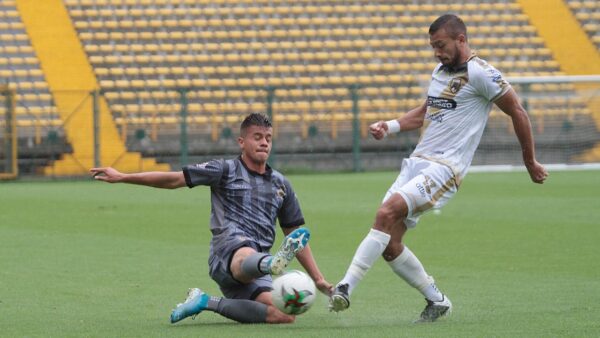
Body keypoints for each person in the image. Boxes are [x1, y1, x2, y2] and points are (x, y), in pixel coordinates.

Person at [329, 14, 548, 322]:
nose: (436, 52)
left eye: (441, 45)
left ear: (461, 40)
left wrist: (530, 161)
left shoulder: (482, 73)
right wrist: (389, 126)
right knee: (390, 244)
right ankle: (437, 301)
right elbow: (427, 110)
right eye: (433, 46)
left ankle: (345, 287)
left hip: (445, 168)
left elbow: (518, 112)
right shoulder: (439, 71)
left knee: (385, 213)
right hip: (417, 164)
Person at [90, 113, 333, 324]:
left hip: (255, 268)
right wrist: (123, 176)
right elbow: (174, 180)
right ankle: (271, 263)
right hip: (228, 253)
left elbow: (295, 234)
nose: (264, 143)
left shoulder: (281, 184)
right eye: (257, 137)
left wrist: (318, 279)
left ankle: (205, 301)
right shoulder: (224, 170)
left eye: (268, 138)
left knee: (282, 315)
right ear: (242, 142)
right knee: (245, 252)